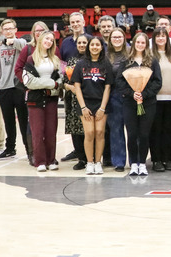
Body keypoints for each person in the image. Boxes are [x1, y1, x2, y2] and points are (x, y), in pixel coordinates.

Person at [116, 31, 162, 176]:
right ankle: (133, 163)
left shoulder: (152, 61)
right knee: (132, 133)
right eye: (138, 42)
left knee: (143, 134)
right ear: (133, 44)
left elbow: (157, 81)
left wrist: (144, 93)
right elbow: (119, 81)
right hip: (129, 103)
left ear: (146, 45)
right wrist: (132, 93)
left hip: (148, 103)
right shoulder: (126, 61)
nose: (140, 45)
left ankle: (142, 163)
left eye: (143, 42)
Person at [69, 36, 113, 175]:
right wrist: (83, 107)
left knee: (100, 133)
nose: (94, 47)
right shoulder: (81, 64)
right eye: (92, 45)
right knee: (89, 133)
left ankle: (98, 162)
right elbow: (77, 87)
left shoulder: (106, 64)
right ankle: (89, 162)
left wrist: (102, 107)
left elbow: (108, 88)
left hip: (101, 104)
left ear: (101, 47)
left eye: (97, 45)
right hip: (85, 104)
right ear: (89, 47)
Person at [23, 31, 63, 172]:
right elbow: (29, 82)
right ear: (40, 40)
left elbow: (60, 81)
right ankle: (40, 161)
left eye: (52, 40)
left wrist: (52, 86)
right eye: (47, 38)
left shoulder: (55, 60)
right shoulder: (30, 59)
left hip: (51, 99)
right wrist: (50, 83)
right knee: (37, 132)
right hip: (35, 101)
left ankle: (51, 160)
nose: (49, 42)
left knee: (51, 131)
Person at [150, 27, 171, 172]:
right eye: (157, 36)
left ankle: (166, 159)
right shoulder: (150, 56)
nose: (160, 38)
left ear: (167, 38)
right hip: (155, 99)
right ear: (154, 39)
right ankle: (156, 160)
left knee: (169, 130)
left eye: (163, 36)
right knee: (156, 130)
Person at [0, 19, 29, 162]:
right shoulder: (0, 47)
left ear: (16, 29)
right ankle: (10, 149)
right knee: (8, 121)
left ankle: (29, 149)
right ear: (2, 31)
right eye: (5, 29)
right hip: (4, 88)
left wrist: (12, 41)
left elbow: (22, 45)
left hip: (19, 87)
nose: (8, 31)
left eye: (10, 28)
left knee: (23, 121)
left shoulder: (22, 44)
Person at [61, 35, 90, 169]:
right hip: (72, 101)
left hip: (89, 100)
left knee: (88, 130)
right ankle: (81, 158)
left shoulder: (94, 60)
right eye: (80, 42)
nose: (82, 45)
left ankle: (91, 158)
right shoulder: (71, 60)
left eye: (85, 42)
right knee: (75, 130)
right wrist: (69, 87)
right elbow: (64, 81)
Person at [104, 28, 130, 171]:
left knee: (132, 130)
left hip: (130, 95)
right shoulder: (106, 55)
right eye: (114, 37)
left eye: (119, 37)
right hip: (113, 95)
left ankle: (135, 161)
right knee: (116, 129)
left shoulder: (131, 52)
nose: (117, 39)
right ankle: (119, 162)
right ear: (110, 39)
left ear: (124, 38)